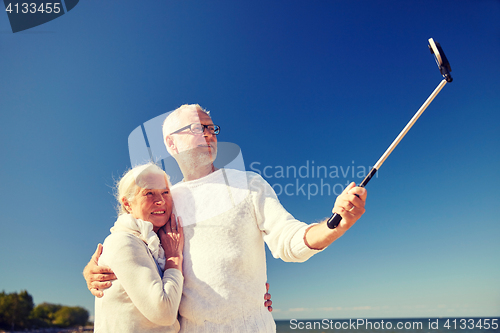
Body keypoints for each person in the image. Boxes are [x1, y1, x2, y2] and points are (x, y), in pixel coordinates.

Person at [84, 104, 367, 332]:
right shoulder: (169, 199)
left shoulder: (249, 184)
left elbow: (288, 239)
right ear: (171, 144)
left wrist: (335, 226)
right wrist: (93, 269)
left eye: (211, 128)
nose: (209, 134)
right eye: (197, 128)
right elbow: (136, 245)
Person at [93, 163, 184, 333]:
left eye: (165, 192)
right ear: (127, 204)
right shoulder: (122, 242)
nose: (160, 201)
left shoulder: (156, 244)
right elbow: (163, 313)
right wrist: (174, 258)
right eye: (149, 193)